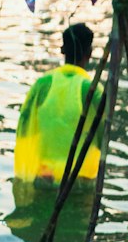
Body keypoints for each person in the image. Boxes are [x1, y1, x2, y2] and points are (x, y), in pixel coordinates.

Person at [13, 22, 104, 186]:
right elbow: (103, 136)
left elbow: (24, 127)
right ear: (89, 53)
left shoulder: (42, 84)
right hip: (78, 181)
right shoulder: (92, 91)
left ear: (62, 50)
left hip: (44, 176)